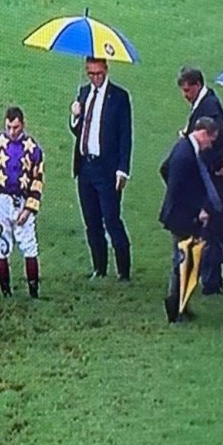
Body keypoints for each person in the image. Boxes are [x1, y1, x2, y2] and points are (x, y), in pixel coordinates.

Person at [69, 58, 133, 281]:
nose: (94, 78)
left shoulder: (119, 97)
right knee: (91, 221)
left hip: (107, 170)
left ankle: (124, 271)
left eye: (98, 73)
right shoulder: (84, 93)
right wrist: (75, 115)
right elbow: (77, 130)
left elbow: (126, 135)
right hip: (86, 167)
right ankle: (99, 268)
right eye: (90, 74)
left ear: (106, 70)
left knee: (112, 220)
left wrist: (122, 169)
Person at [158, 116, 222, 323]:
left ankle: (182, 305)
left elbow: (164, 169)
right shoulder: (186, 155)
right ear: (202, 133)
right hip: (182, 217)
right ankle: (175, 309)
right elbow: (178, 188)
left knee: (187, 262)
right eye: (210, 140)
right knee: (182, 263)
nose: (210, 145)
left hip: (181, 214)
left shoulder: (184, 147)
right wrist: (197, 211)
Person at [0, 106, 45, 298]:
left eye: (16, 127)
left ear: (23, 125)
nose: (12, 132)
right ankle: (6, 293)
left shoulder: (34, 149)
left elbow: (37, 182)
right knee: (0, 245)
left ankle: (34, 293)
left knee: (29, 246)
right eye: (9, 127)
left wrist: (29, 208)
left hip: (22, 202)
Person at [178, 67, 223, 294]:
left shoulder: (209, 107)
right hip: (210, 176)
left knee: (210, 229)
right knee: (210, 228)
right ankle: (211, 278)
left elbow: (218, 141)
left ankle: (211, 280)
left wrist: (200, 155)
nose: (185, 95)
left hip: (211, 179)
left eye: (188, 90)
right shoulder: (205, 104)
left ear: (197, 85)